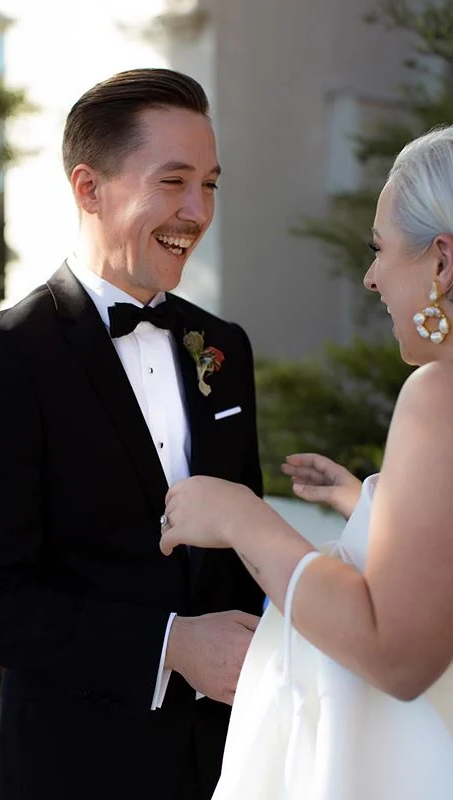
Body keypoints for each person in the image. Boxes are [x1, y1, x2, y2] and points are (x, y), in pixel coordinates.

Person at [0, 68, 264, 800]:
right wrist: (170, 646)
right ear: (89, 188)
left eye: (209, 184)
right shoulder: (1, 358)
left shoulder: (223, 348)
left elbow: (240, 547)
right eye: (173, 182)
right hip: (72, 766)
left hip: (226, 762)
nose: (197, 211)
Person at [159, 125, 453, 799]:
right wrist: (368, 503)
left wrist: (243, 519)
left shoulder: (438, 394)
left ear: (441, 262)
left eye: (379, 250)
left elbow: (399, 655)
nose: (372, 278)